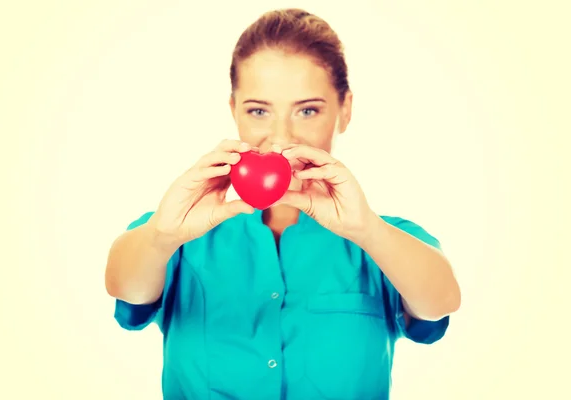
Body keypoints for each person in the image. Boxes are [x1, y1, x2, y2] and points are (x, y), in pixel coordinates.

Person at [105, 8, 461, 400]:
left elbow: (440, 302)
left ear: (345, 110)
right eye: (259, 111)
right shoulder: (183, 231)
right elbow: (124, 285)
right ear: (234, 110)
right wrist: (161, 235)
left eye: (307, 110)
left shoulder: (381, 240)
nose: (280, 137)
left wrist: (368, 231)